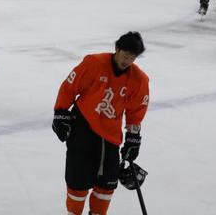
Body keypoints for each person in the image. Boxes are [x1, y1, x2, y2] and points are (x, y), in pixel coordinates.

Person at [52, 32, 150, 215]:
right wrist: (60, 113)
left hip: (110, 136)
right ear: (117, 49)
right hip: (82, 127)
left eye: (132, 57)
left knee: (106, 186)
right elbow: (69, 87)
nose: (127, 61)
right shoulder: (94, 63)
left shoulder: (139, 80)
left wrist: (133, 137)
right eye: (125, 55)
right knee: (77, 182)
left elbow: (136, 111)